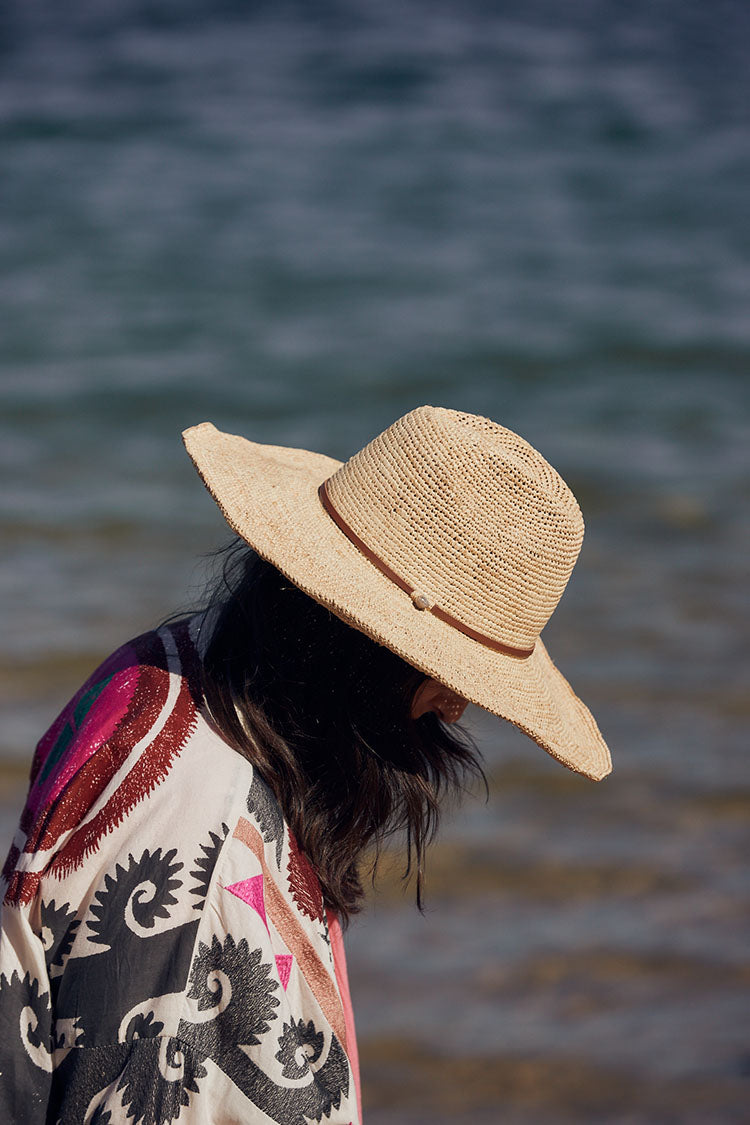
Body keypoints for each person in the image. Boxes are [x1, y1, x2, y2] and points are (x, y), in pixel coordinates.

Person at [0, 405, 611, 1124]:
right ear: (371, 648)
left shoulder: (173, 663)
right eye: (452, 675)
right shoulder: (214, 863)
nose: (455, 708)